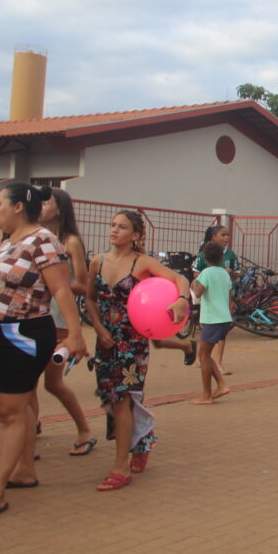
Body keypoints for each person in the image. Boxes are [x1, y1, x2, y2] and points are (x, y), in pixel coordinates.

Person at [0, 183, 87, 522]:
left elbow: (61, 288)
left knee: (10, 412)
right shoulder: (7, 243)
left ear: (19, 207)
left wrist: (75, 334)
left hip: (18, 334)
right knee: (11, 408)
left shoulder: (44, 240)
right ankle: (21, 471)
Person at [85, 210, 190, 491]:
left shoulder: (142, 263)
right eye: (113, 225)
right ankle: (143, 440)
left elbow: (180, 279)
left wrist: (181, 299)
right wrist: (98, 328)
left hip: (132, 344)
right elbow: (90, 299)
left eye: (122, 227)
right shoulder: (97, 261)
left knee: (123, 400)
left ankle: (120, 468)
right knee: (112, 399)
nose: (114, 230)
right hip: (105, 341)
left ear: (135, 235)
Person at [34, 188, 96, 456]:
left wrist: (54, 283)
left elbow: (83, 285)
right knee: (26, 381)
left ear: (59, 208)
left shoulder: (69, 242)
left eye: (46, 201)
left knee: (52, 383)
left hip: (59, 320)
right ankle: (28, 429)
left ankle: (84, 430)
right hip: (33, 317)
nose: (41, 205)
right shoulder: (35, 237)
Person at [190, 241, 233, 405]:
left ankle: (207, 394)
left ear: (205, 258)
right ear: (222, 257)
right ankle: (221, 385)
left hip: (212, 319)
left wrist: (194, 284)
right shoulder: (224, 274)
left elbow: (199, 293)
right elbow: (229, 296)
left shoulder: (206, 273)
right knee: (205, 355)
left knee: (203, 355)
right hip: (224, 318)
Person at [191, 225, 238, 373]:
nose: (227, 238)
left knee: (217, 334)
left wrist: (231, 273)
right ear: (214, 237)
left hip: (221, 300)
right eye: (223, 235)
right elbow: (196, 274)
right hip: (210, 301)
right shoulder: (203, 256)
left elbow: (236, 275)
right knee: (208, 332)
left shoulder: (231, 256)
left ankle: (217, 363)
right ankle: (204, 360)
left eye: (228, 235)